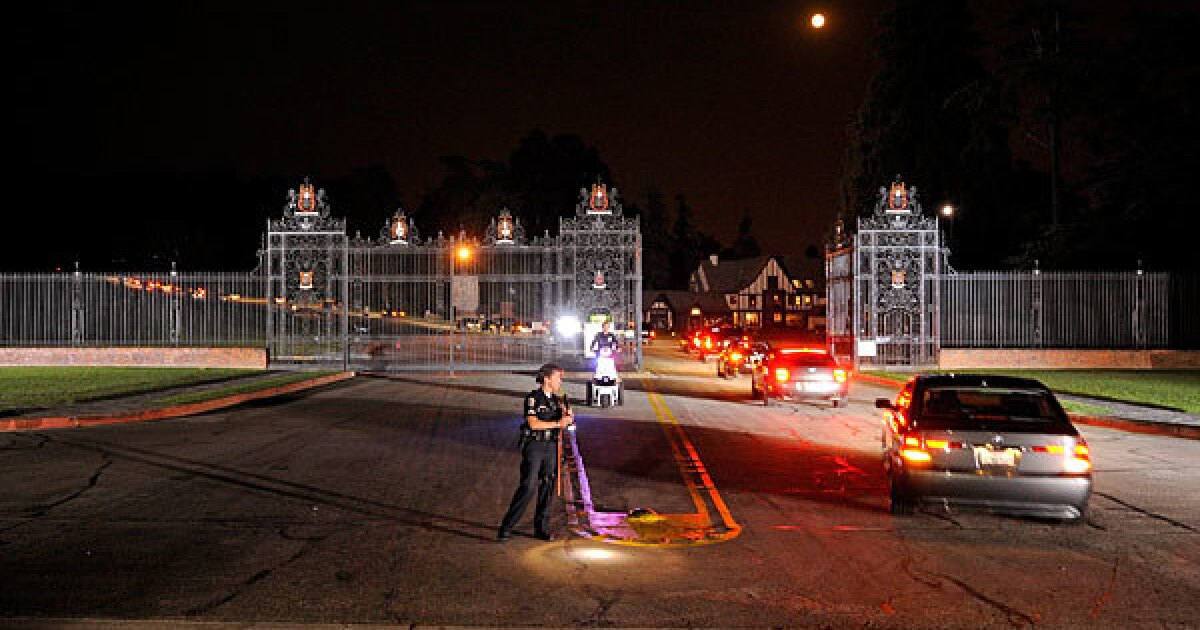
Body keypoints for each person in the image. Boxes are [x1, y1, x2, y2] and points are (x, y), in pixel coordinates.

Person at [497, 363, 574, 542]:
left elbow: (566, 422)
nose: (560, 381)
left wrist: (568, 417)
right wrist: (557, 424)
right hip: (535, 446)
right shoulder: (533, 398)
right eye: (557, 377)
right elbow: (533, 423)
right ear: (547, 379)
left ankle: (541, 528)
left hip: (551, 446)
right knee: (528, 486)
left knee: (547, 486)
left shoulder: (558, 400)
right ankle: (506, 526)